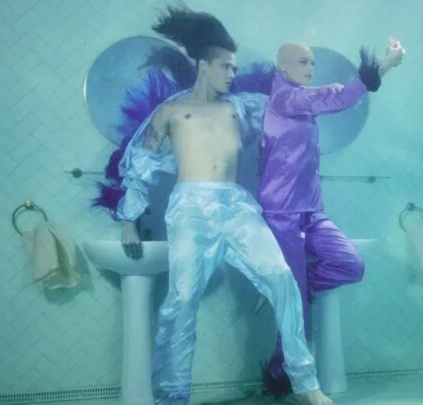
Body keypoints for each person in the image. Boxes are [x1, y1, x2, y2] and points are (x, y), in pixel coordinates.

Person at [116, 7, 333, 405]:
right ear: (203, 66)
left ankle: (306, 383)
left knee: (282, 279)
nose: (232, 74)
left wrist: (355, 85)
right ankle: (172, 396)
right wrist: (129, 220)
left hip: (236, 205)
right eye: (225, 67)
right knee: (182, 299)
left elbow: (291, 106)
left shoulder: (242, 106)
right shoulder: (170, 111)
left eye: (235, 67)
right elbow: (140, 163)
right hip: (190, 207)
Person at [260, 40, 405, 395]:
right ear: (281, 66)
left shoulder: (300, 102)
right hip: (280, 213)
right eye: (302, 62)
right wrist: (383, 65)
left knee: (351, 264)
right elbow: (335, 98)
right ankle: (280, 373)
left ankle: (298, 289)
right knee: (296, 306)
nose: (310, 68)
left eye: (312, 62)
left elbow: (329, 100)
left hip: (311, 210)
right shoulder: (283, 98)